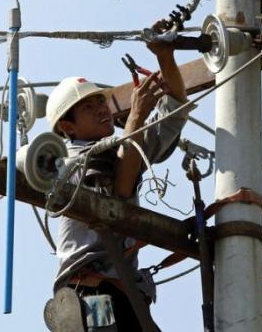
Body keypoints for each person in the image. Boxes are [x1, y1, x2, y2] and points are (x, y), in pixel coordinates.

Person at [43, 22, 191, 332]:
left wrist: (165, 55)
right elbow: (119, 196)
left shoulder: (125, 146)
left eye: (100, 101)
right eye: (87, 106)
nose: (101, 109)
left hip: (122, 293)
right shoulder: (72, 162)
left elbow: (176, 109)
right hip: (91, 295)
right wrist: (135, 116)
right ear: (68, 127)